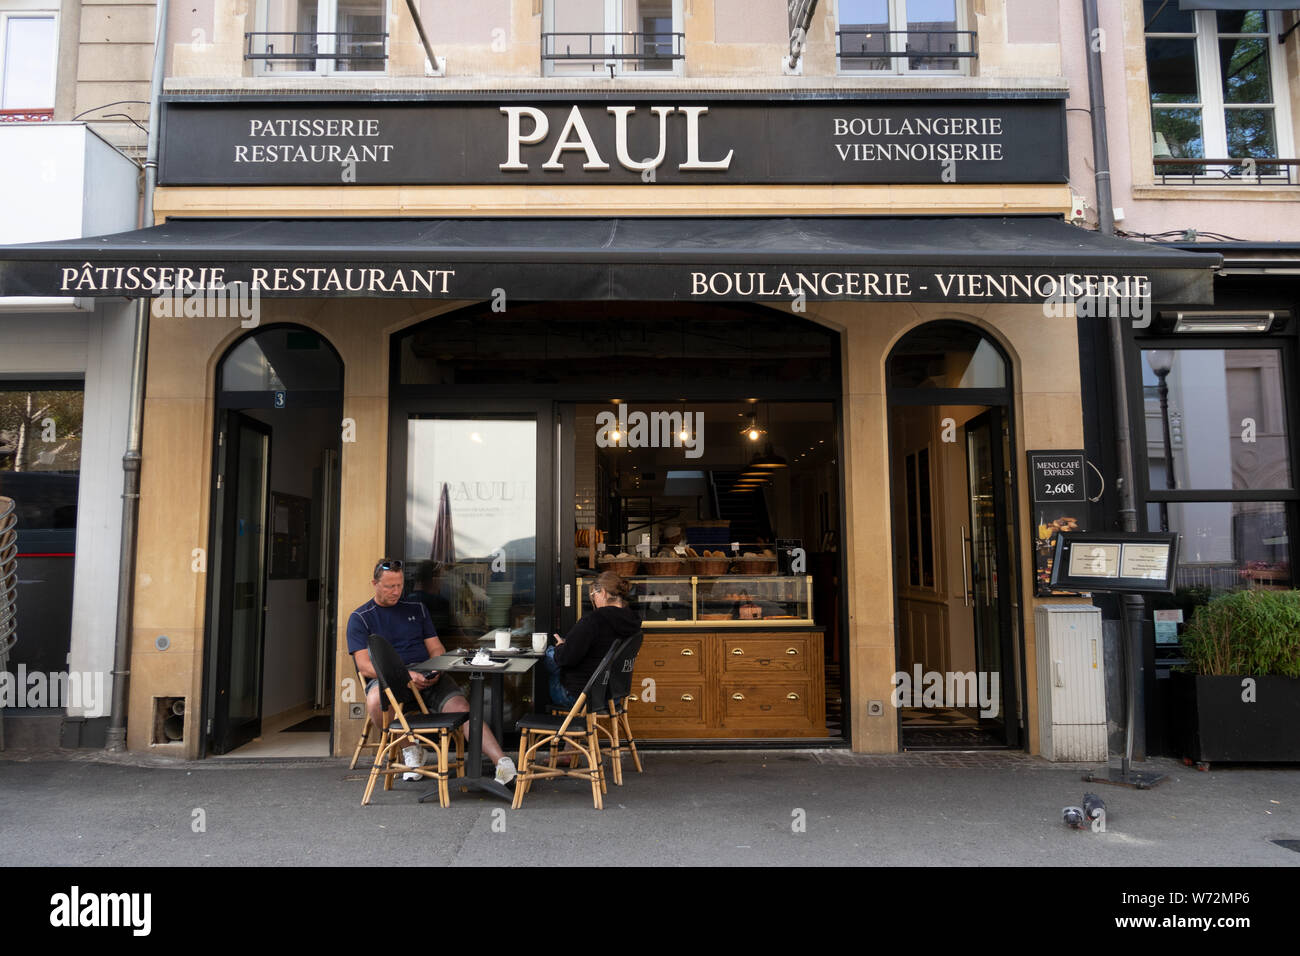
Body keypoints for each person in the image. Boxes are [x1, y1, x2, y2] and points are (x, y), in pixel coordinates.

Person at [347, 558, 515, 785]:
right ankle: (411, 750)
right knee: (375, 701)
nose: (396, 591)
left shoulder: (417, 609)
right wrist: (404, 676)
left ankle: (502, 763)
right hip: (390, 679)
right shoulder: (360, 617)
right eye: (389, 586)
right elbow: (364, 665)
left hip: (426, 674)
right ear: (374, 584)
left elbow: (436, 648)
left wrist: (436, 667)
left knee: (463, 709)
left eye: (399, 585)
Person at [544, 570, 641, 709]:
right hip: (614, 698)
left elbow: (566, 659)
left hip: (581, 698)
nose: (593, 599)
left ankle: (535, 712)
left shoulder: (593, 621)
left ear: (603, 592)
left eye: (593, 594)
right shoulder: (633, 622)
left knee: (550, 653)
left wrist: (560, 646)